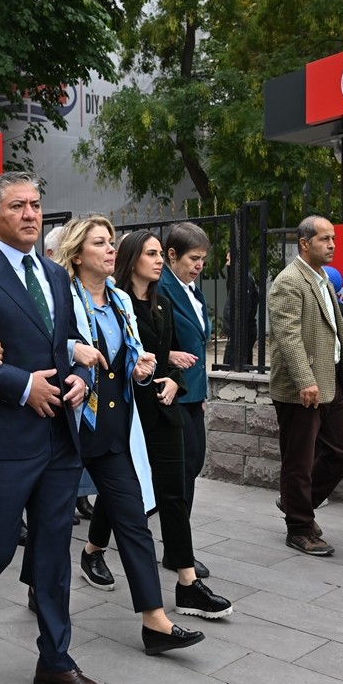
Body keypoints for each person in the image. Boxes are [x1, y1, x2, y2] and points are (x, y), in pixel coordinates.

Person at [0, 172, 110, 684]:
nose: (32, 214)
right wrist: (20, 387)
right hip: (3, 436)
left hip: (58, 434)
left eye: (37, 204)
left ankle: (55, 661)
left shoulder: (57, 276)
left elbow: (60, 346)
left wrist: (78, 378)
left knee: (55, 547)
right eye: (18, 206)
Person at [54, 217, 210, 654]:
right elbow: (44, 344)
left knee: (134, 521)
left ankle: (154, 621)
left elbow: (132, 356)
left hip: (115, 427)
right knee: (50, 518)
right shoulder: (62, 299)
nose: (110, 250)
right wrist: (71, 350)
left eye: (112, 242)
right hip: (70, 426)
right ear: (77, 253)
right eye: (100, 243)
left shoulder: (121, 299)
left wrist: (143, 369)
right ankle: (35, 585)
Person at [83, 229, 231, 618]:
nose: (159, 260)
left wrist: (173, 380)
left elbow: (163, 359)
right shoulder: (118, 303)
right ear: (134, 260)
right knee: (126, 491)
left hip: (164, 409)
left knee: (174, 489)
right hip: (130, 413)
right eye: (151, 254)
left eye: (159, 254)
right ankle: (93, 550)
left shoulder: (162, 303)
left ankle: (187, 583)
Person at [267, 216, 343, 556]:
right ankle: (300, 527)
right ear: (304, 243)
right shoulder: (289, 282)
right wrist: (306, 379)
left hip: (330, 380)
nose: (332, 244)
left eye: (333, 238)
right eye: (324, 239)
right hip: (302, 387)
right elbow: (287, 337)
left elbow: (328, 323)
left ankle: (295, 501)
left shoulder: (321, 278)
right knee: (299, 460)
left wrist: (341, 347)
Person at [156, 223, 212, 537]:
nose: (199, 265)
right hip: (171, 391)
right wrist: (168, 356)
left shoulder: (194, 292)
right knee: (183, 467)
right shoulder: (161, 287)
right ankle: (178, 542)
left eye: (203, 258)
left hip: (193, 393)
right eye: (193, 258)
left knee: (194, 463)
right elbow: (151, 338)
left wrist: (201, 393)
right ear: (172, 255)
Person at [222, 249, 262, 368]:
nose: (226, 263)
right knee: (236, 365)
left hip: (241, 332)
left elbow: (246, 306)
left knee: (235, 366)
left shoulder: (244, 279)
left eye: (228, 259)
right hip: (237, 331)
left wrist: (237, 327)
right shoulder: (236, 278)